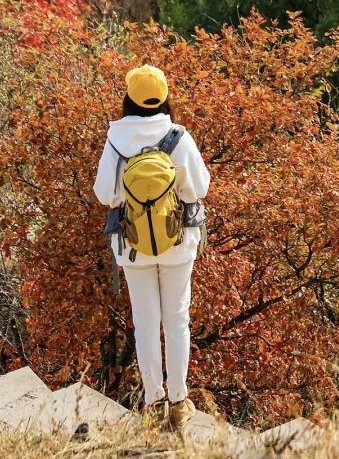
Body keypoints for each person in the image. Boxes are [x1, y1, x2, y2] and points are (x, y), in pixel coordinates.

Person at [94, 65, 210, 431]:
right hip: (177, 242)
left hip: (132, 246)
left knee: (145, 322)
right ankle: (179, 400)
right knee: (177, 318)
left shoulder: (116, 138)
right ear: (163, 98)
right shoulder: (178, 136)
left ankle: (152, 401)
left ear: (128, 97)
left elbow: (104, 195)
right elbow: (199, 189)